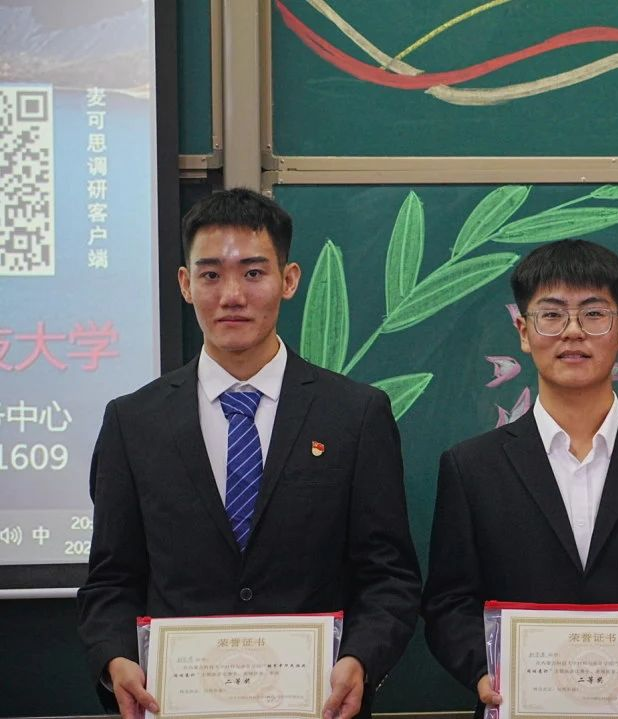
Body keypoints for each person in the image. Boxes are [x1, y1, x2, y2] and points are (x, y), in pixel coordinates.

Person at [76, 188, 422, 719]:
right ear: (185, 284)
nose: (232, 295)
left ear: (289, 280)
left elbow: (388, 576)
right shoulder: (133, 422)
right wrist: (115, 658)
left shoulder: (355, 415)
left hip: (318, 706)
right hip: (177, 705)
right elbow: (111, 579)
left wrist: (361, 659)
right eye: (211, 275)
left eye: (254, 273)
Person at [422, 239, 618, 718]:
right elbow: (449, 602)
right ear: (523, 331)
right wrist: (483, 672)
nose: (573, 332)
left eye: (594, 314)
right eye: (551, 315)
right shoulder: (471, 467)